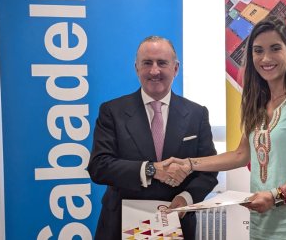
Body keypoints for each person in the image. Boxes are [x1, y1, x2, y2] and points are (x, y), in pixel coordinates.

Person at [165, 16, 286, 239]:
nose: (266, 58)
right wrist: (189, 164)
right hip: (263, 217)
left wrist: (277, 195)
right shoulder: (255, 101)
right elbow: (240, 154)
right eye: (258, 51)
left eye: (275, 48)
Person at [87, 36, 218, 239]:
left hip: (176, 223)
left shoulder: (196, 114)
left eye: (162, 63)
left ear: (175, 68)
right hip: (120, 224)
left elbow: (208, 169)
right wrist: (150, 169)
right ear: (137, 68)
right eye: (147, 63)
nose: (154, 71)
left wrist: (186, 198)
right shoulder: (112, 111)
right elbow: (99, 166)